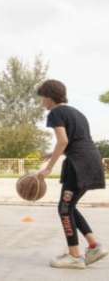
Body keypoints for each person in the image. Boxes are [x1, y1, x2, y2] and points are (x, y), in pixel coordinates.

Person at [36, 79, 107, 269]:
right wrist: (52, 154)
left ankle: (75, 256)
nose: (42, 102)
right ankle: (93, 246)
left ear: (49, 97)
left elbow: (63, 141)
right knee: (70, 206)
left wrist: (49, 167)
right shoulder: (76, 112)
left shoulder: (55, 112)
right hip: (92, 161)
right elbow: (76, 140)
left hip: (78, 165)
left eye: (42, 98)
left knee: (64, 209)